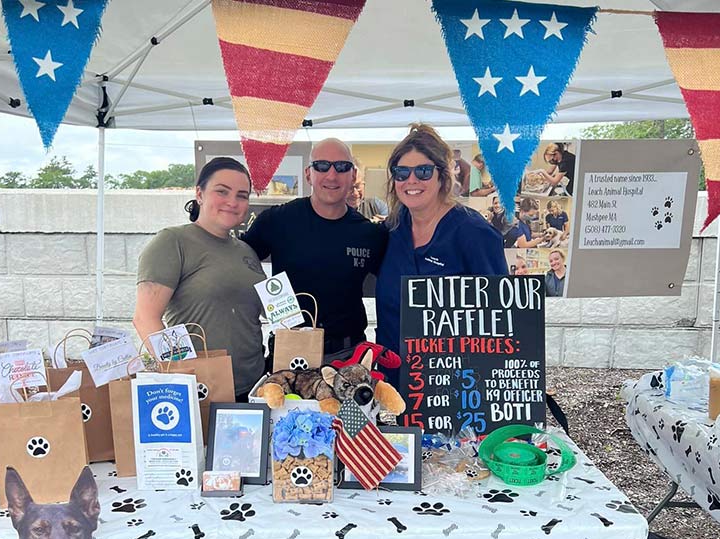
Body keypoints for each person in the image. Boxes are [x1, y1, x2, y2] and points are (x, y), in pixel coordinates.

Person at [375, 124, 508, 388]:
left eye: (423, 171)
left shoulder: (474, 234)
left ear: (442, 176)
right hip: (395, 385)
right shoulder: (391, 231)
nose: (411, 181)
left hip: (458, 388)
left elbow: (503, 319)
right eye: (401, 173)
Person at [242, 138, 388, 362]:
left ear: (353, 175)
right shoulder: (277, 220)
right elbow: (238, 261)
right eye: (322, 166)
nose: (332, 175)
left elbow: (396, 282)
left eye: (342, 167)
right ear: (309, 174)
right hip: (290, 351)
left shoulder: (369, 233)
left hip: (348, 355)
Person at [133, 157, 265, 401]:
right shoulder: (173, 241)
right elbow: (145, 319)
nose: (232, 202)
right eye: (222, 191)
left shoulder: (246, 251)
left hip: (254, 387)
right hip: (201, 392)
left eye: (242, 195)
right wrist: (183, 374)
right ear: (200, 194)